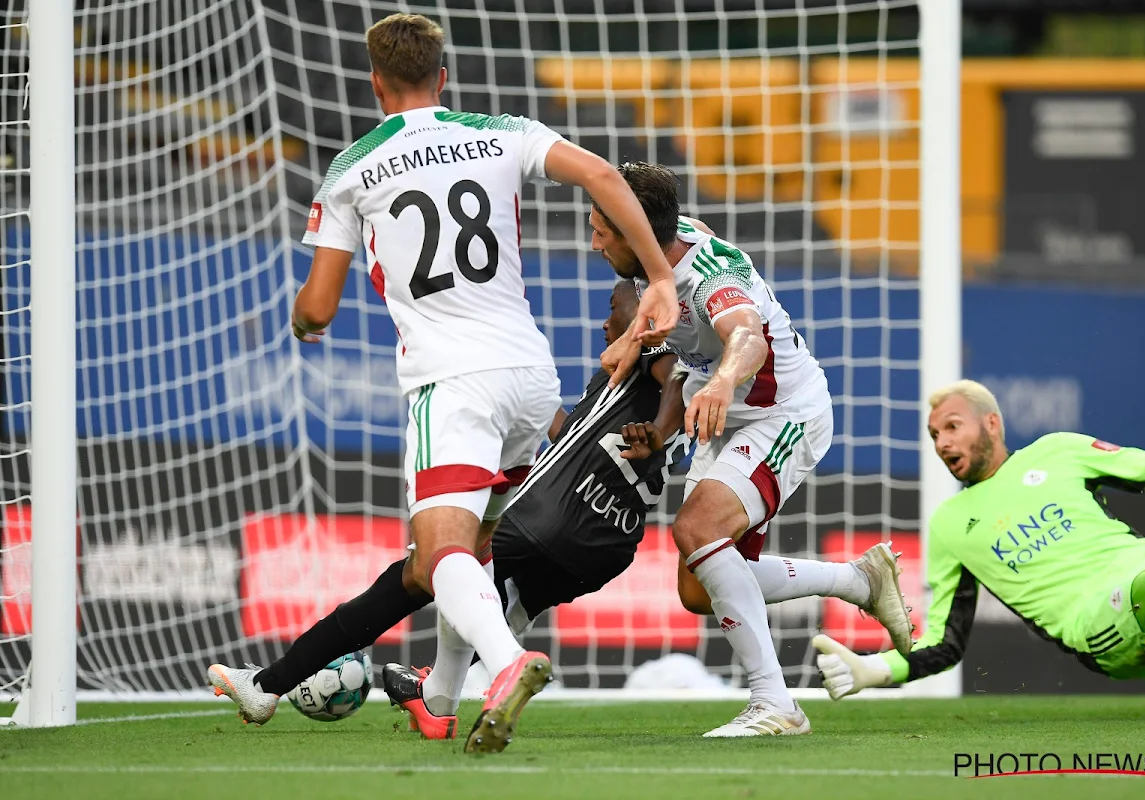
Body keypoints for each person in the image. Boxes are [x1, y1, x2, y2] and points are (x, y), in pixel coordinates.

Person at [206, 13, 680, 755]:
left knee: (443, 548)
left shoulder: (353, 168)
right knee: (462, 553)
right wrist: (659, 276)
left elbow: (318, 308)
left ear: (374, 82)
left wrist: (302, 325)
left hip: (453, 382)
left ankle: (508, 664)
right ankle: (436, 700)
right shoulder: (500, 131)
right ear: (443, 77)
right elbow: (604, 176)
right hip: (529, 374)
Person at [207, 282, 911, 740]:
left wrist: (661, 424)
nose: (608, 316)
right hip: (605, 544)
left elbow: (670, 381)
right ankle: (439, 696)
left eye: (616, 305)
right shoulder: (605, 388)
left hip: (559, 517)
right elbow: (580, 425)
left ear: (642, 311)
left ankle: (280, 684)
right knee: (691, 584)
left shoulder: (654, 351)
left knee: (427, 571)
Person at [594, 162, 914, 737]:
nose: (593, 242)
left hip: (783, 413)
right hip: (727, 419)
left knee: (695, 531)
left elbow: (744, 334)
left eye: (601, 230)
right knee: (699, 586)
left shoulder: (714, 275)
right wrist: (660, 403)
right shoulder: (657, 256)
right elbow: (684, 357)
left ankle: (776, 704)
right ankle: (860, 582)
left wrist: (720, 381)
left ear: (633, 229)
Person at [814, 380, 1145, 706]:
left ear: (992, 424)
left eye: (952, 427)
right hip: (1103, 624)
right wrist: (874, 668)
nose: (943, 443)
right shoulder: (950, 524)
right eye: (935, 435)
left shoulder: (1058, 451)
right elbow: (944, 640)